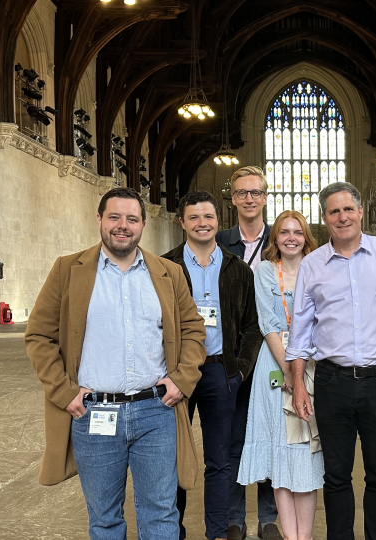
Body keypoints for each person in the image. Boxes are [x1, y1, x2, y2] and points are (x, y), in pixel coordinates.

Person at [25, 187, 206, 540]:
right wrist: (65, 392)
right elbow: (39, 336)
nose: (122, 226)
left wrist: (182, 380)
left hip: (156, 411)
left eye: (131, 219)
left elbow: (193, 330)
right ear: (99, 220)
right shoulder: (67, 270)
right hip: (95, 416)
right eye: (114, 217)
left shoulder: (169, 273)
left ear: (142, 225)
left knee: (161, 515)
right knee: (105, 518)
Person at [287, 182, 376, 540]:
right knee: (336, 476)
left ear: (361, 212)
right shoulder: (312, 265)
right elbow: (300, 330)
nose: (342, 217)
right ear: (324, 218)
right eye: (333, 211)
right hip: (333, 382)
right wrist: (298, 384)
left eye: (348, 209)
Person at [162, 190, 263, 540]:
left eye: (208, 217)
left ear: (219, 221)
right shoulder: (165, 267)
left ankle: (218, 532)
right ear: (182, 222)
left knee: (219, 459)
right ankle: (171, 530)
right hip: (177, 376)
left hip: (221, 372)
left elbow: (253, 327)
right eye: (194, 217)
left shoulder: (239, 270)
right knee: (173, 458)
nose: (202, 223)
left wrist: (240, 372)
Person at [237, 210, 323, 540]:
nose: (291, 237)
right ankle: (291, 536)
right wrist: (288, 370)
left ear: (306, 236)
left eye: (297, 232)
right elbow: (269, 324)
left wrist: (301, 374)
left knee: (306, 454)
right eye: (284, 232)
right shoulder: (264, 271)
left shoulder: (318, 268)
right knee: (280, 456)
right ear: (275, 238)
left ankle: (306, 536)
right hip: (274, 366)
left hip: (312, 366)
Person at [215, 166, 280, 540]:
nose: (249, 198)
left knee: (271, 433)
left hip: (271, 351)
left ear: (265, 197)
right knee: (233, 438)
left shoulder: (281, 237)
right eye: (242, 193)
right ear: (234, 198)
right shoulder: (220, 240)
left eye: (256, 192)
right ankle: (234, 518)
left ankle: (268, 517)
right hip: (233, 352)